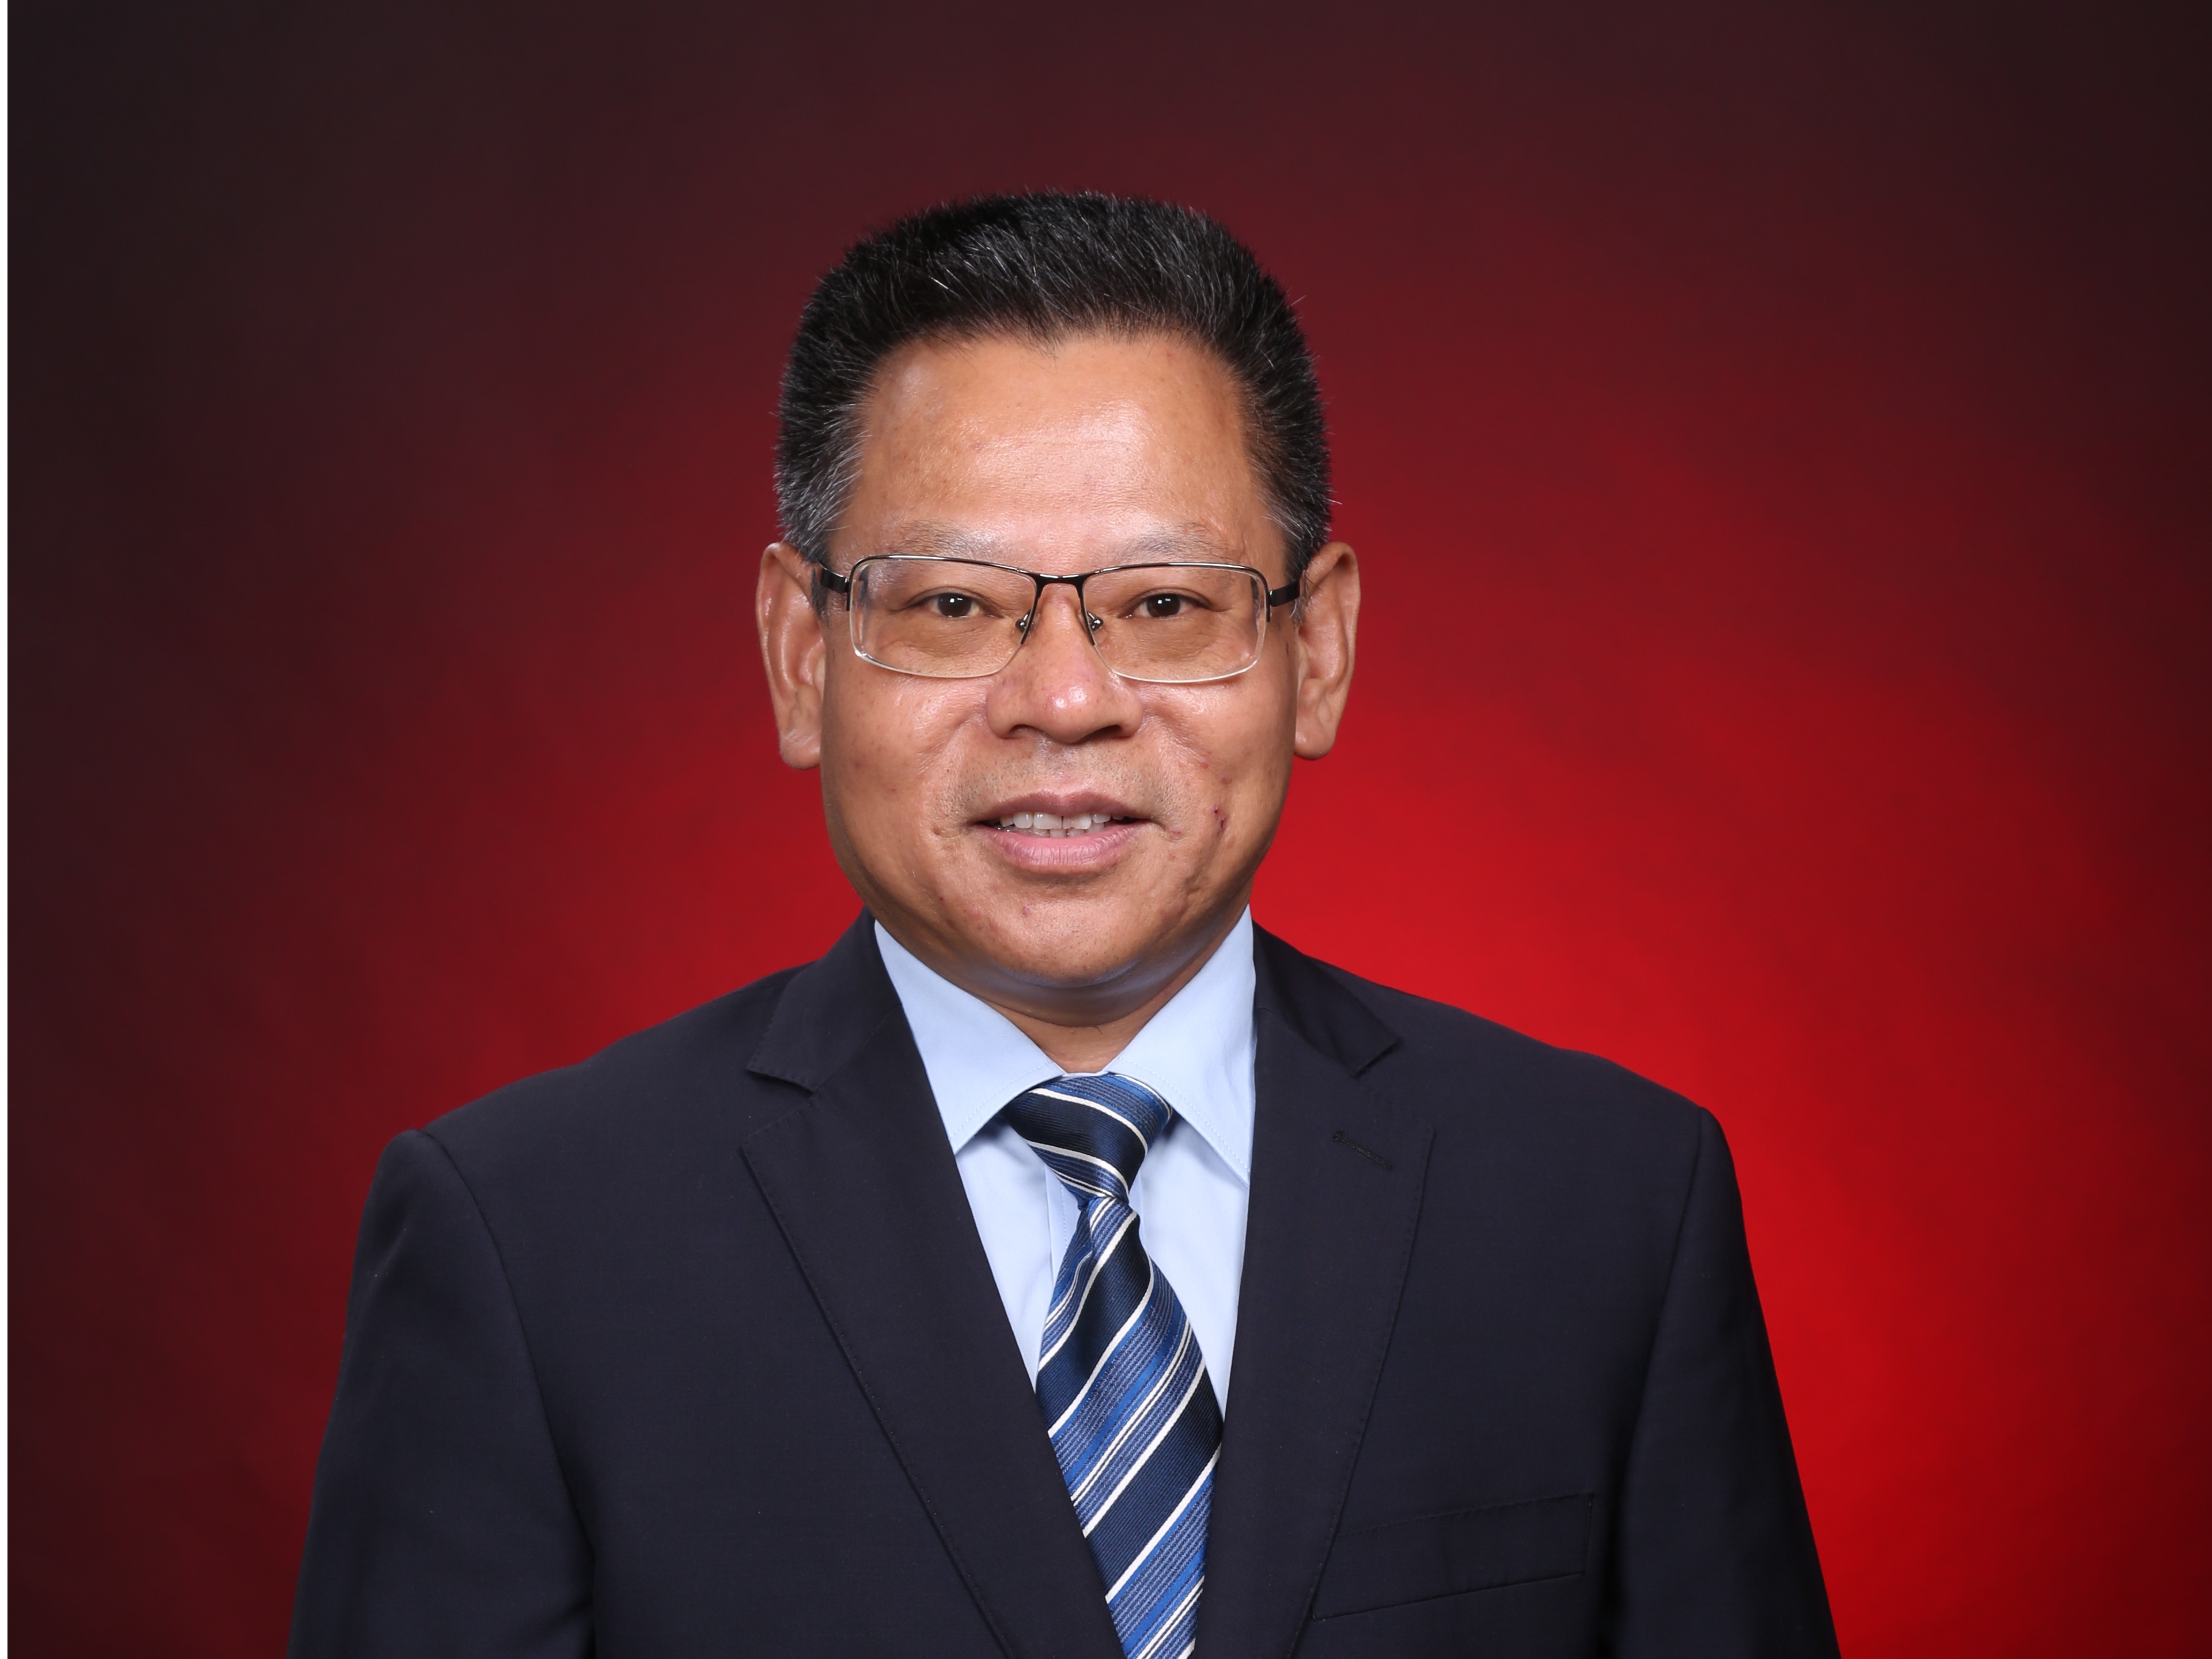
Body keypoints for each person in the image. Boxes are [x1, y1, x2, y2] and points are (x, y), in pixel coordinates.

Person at [288, 192, 1838, 1659]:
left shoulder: (1610, 1208)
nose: (1065, 698)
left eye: (1164, 605)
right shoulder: (526, 1245)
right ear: (800, 657)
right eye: (952, 606)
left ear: (1318, 651)